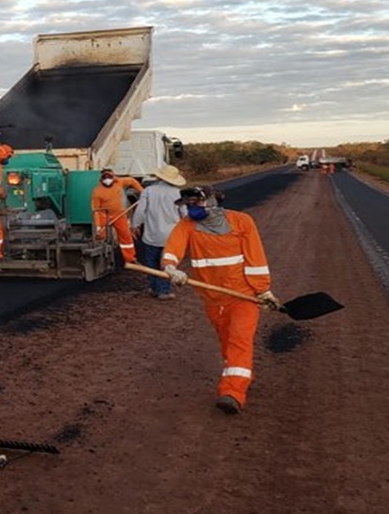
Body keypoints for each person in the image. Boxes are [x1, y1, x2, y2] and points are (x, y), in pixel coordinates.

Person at [161, 185, 281, 415]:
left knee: (239, 340)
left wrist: (263, 291)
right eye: (189, 205)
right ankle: (238, 373)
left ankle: (233, 393)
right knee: (227, 342)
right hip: (213, 298)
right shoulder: (187, 225)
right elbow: (173, 249)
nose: (191, 208)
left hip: (242, 296)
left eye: (196, 203)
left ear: (213, 201)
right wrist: (170, 267)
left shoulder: (241, 221)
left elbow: (256, 258)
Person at [131, 164, 187, 299]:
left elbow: (140, 212)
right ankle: (164, 291)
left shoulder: (148, 191)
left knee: (151, 263)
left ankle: (154, 288)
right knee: (166, 264)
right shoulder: (178, 193)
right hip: (171, 236)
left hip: (151, 234)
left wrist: (135, 225)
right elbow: (184, 214)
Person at [91, 168, 144, 264]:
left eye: (109, 177)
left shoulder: (119, 182)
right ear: (101, 179)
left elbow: (131, 181)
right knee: (101, 236)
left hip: (119, 214)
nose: (107, 179)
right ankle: (101, 259)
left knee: (126, 236)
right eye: (105, 178)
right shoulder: (97, 192)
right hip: (104, 215)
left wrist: (141, 191)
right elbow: (96, 210)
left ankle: (130, 258)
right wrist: (98, 226)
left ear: (113, 177)